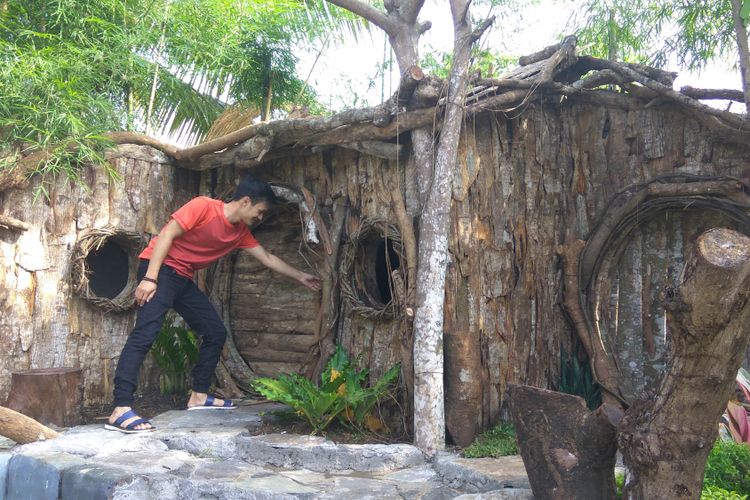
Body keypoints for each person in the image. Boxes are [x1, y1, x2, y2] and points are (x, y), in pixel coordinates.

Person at [105, 176, 321, 433]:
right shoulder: (203, 206)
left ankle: (198, 395)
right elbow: (167, 235)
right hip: (160, 269)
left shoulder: (240, 233)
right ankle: (120, 408)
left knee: (215, 331)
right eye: (260, 211)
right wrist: (150, 278)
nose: (260, 218)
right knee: (145, 333)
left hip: (182, 278)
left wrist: (301, 276)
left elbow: (267, 257)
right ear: (245, 201)